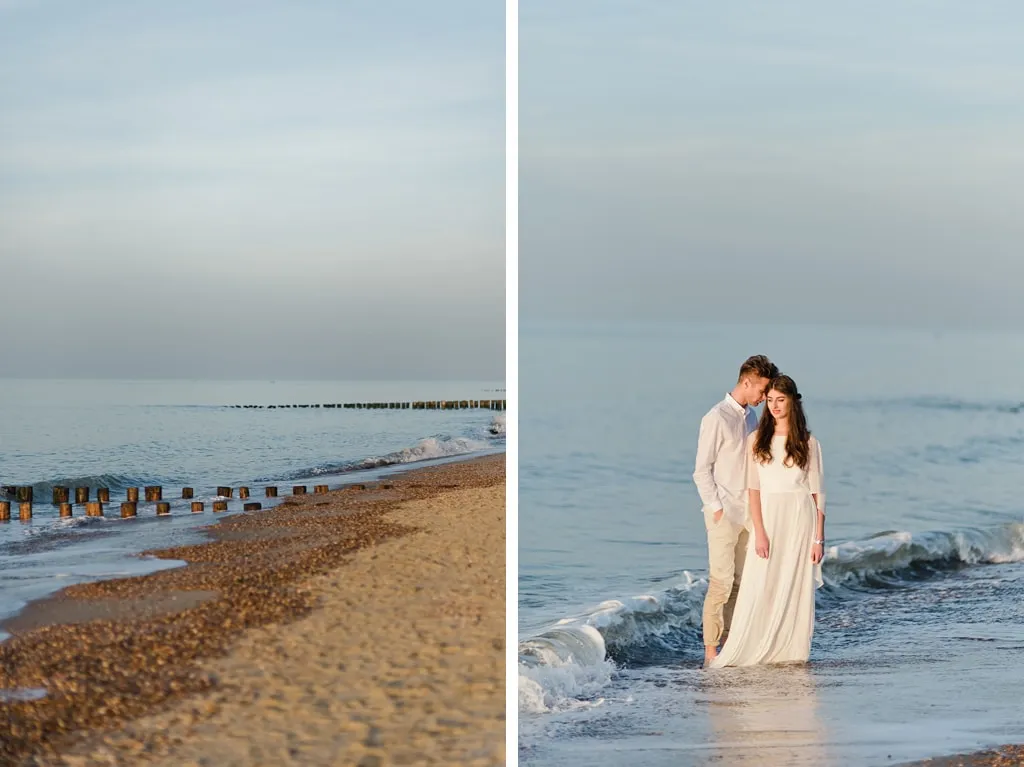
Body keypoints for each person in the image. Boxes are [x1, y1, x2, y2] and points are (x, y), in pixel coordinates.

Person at [709, 374, 826, 668]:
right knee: (760, 583)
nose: (774, 406)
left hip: (800, 519)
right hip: (769, 519)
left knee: (793, 584)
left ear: (792, 402)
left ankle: (789, 652)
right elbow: (754, 492)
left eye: (780, 400)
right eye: (770, 400)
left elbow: (817, 496)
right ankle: (748, 646)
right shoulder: (756, 439)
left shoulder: (809, 443)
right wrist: (759, 532)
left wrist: (818, 538)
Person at [693, 354, 779, 667]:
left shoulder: (750, 419)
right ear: (746, 382)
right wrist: (716, 509)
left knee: (742, 582)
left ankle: (731, 642)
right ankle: (710, 652)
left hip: (747, 514)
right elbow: (701, 470)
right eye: (762, 391)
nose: (763, 398)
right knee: (720, 582)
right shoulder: (715, 418)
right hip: (723, 513)